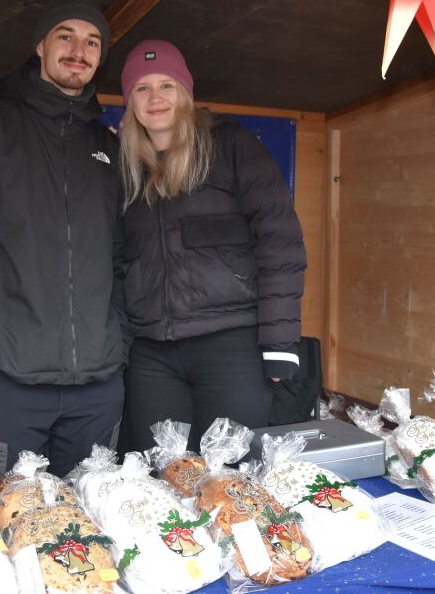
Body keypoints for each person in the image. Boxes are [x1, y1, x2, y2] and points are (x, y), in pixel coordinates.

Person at [0, 0, 126, 477]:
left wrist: (121, 351)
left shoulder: (108, 147)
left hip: (98, 385)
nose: (79, 50)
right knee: (7, 528)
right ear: (40, 45)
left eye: (92, 42)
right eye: (65, 36)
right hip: (7, 381)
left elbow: (123, 258)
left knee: (91, 528)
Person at [115, 39, 307, 453]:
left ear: (185, 91)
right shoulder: (123, 166)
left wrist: (280, 343)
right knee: (161, 474)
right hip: (152, 356)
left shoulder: (231, 145)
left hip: (231, 346)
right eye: (142, 88)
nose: (156, 98)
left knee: (229, 476)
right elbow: (113, 263)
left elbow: (280, 243)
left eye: (166, 84)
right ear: (130, 101)